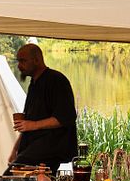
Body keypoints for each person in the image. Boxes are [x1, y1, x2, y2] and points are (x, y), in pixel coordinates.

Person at [8, 43, 78, 173]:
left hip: (50, 148)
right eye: (18, 61)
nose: (19, 66)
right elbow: (27, 124)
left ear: (36, 60)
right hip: (34, 148)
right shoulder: (34, 84)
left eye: (23, 61)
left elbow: (65, 117)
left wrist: (33, 125)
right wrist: (15, 150)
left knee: (11, 178)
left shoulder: (56, 80)